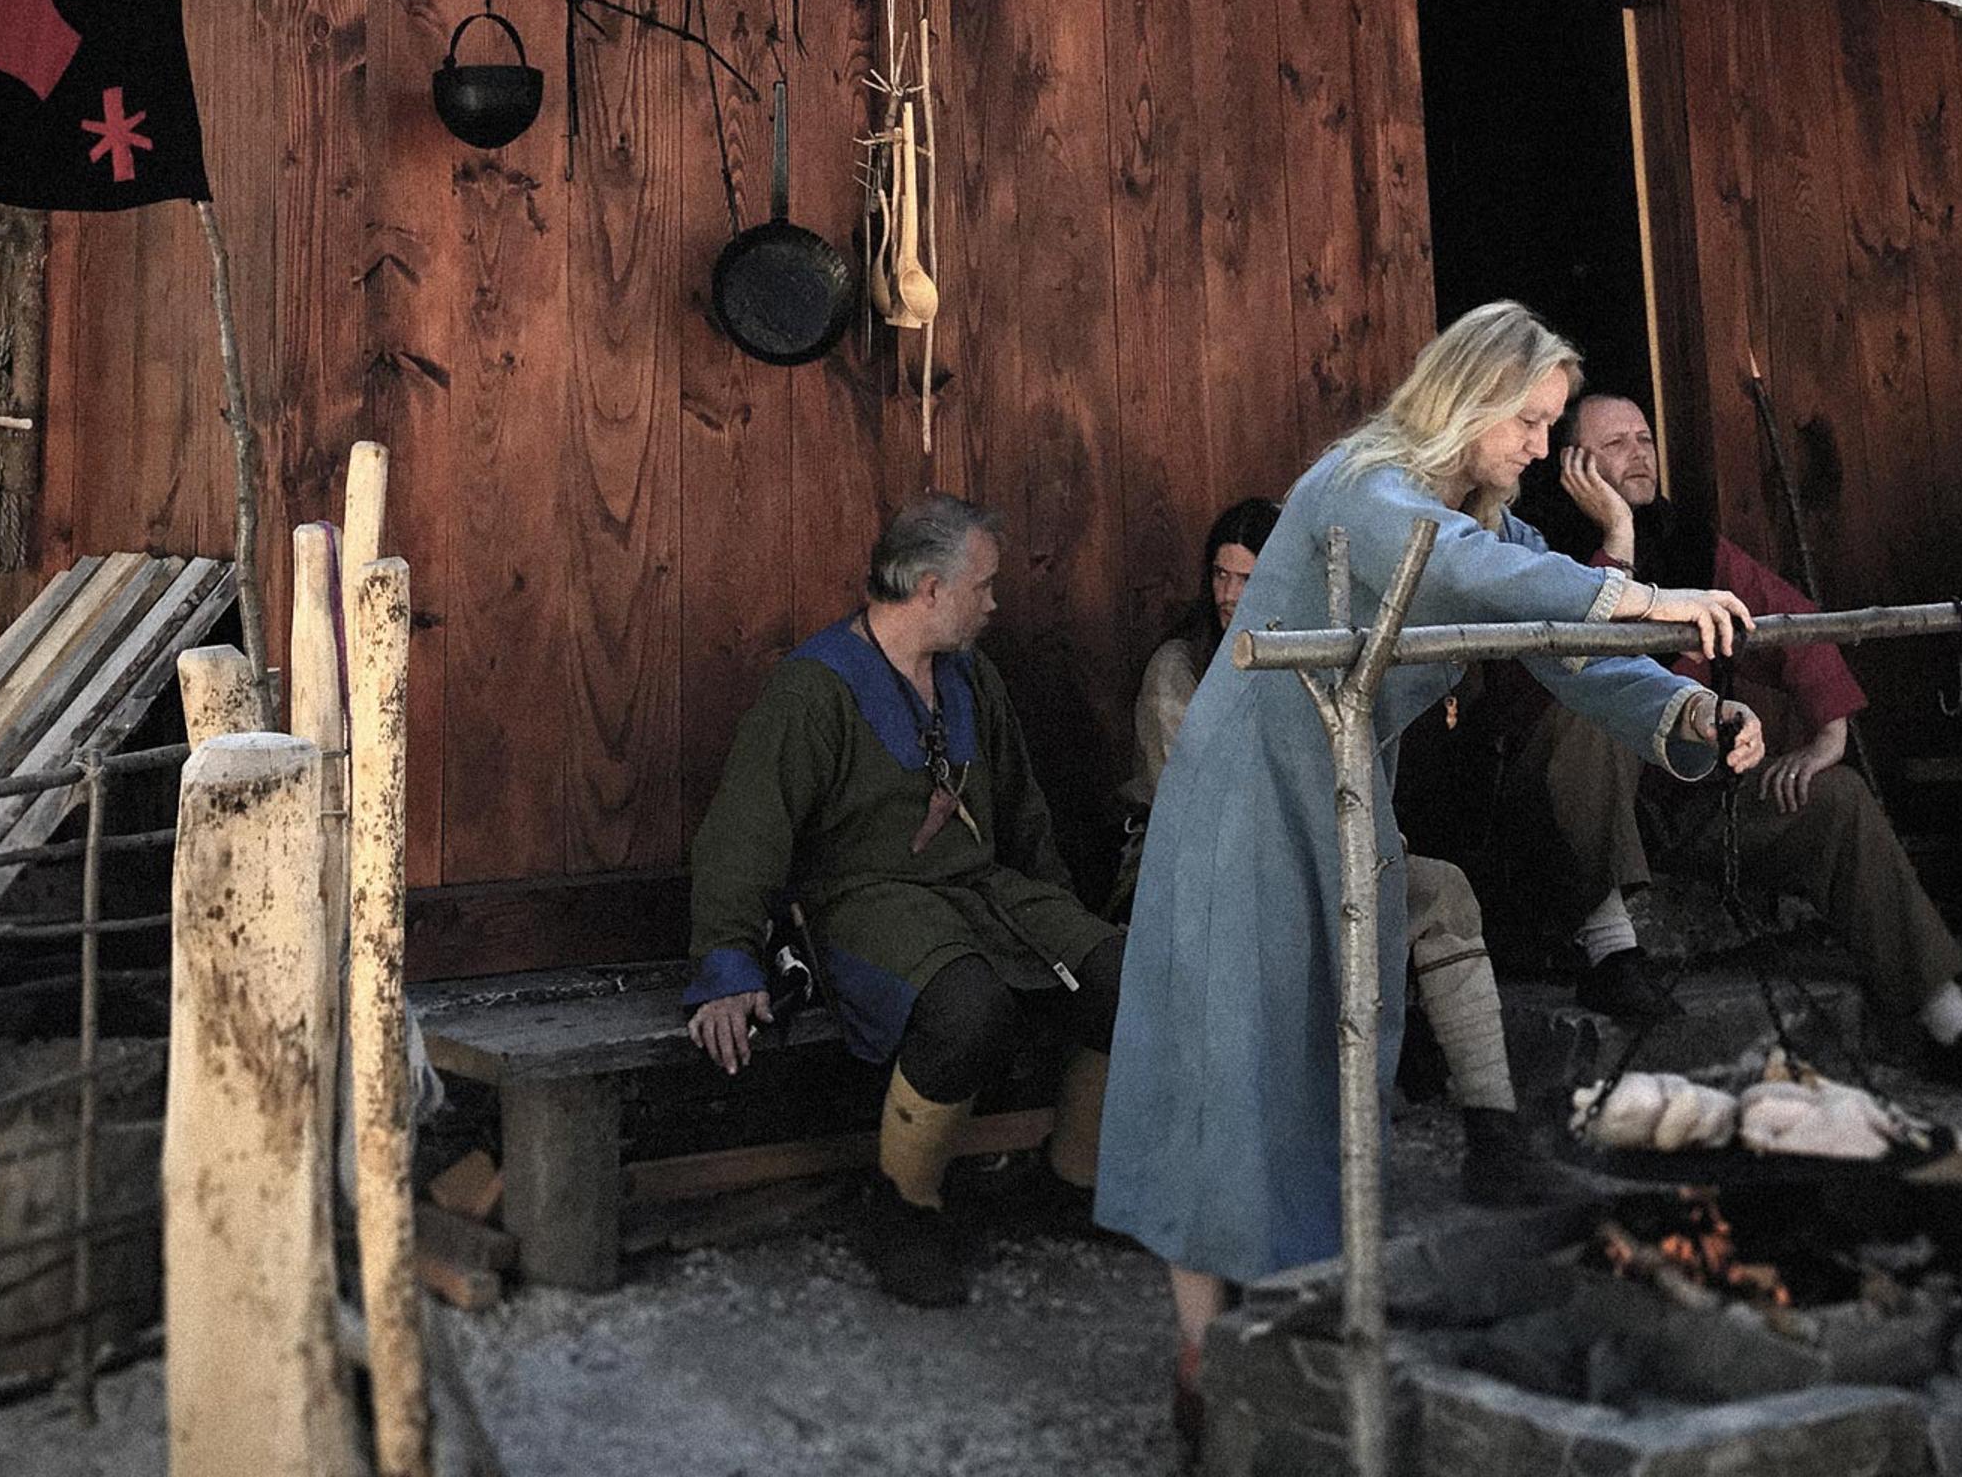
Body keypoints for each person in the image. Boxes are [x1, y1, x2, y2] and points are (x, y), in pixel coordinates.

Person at [1093, 302, 1759, 1444]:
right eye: (1533, 423)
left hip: (1343, 801)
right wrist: (1647, 597)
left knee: (1332, 1059)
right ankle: (1207, 1359)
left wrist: (1690, 708)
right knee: (1234, 1066)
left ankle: (1305, 1323)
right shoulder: (1365, 485)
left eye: (1551, 427)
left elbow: (1563, 641)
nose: (1541, 450)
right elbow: (1459, 569)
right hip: (1244, 806)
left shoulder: (1483, 519)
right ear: (1472, 396)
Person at [1522, 392, 1962, 1095]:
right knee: (1592, 712)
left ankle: (1949, 1021)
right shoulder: (1537, 549)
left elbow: (1788, 618)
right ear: (1571, 465)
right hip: (1567, 811)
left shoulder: (1689, 545)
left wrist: (1827, 731)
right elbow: (1584, 667)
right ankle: (1611, 953)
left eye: (1645, 438)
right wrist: (1615, 538)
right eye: (1616, 443)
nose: (1640, 452)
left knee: (1834, 799)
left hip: (1687, 803)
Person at [681, 494, 1123, 1308]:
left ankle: (1072, 1181)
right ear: (929, 588)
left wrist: (1061, 919)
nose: (994, 604)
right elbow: (743, 832)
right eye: (982, 586)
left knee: (1118, 973)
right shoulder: (812, 691)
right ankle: (904, 1210)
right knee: (967, 1009)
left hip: (984, 892)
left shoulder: (970, 678)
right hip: (863, 901)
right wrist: (726, 962)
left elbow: (1022, 809)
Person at [1114, 496, 1560, 1206]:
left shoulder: (1329, 658)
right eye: (1220, 577)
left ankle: (1493, 1129)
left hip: (1315, 860)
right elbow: (1195, 812)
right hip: (1198, 870)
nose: (1230, 594)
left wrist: (1369, 846)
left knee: (1441, 891)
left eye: (1246, 578)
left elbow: (1361, 786)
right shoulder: (1181, 670)